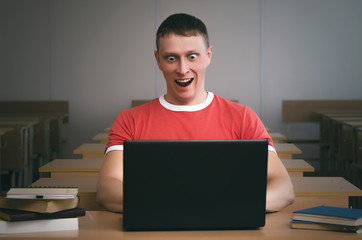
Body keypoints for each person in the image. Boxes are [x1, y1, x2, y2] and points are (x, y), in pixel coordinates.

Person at [97, 13, 295, 213]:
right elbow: (107, 189)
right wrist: (188, 206)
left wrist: (224, 206)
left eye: (192, 57)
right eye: (171, 58)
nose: (183, 69)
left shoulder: (244, 117)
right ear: (158, 60)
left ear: (208, 56)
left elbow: (283, 188)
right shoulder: (129, 121)